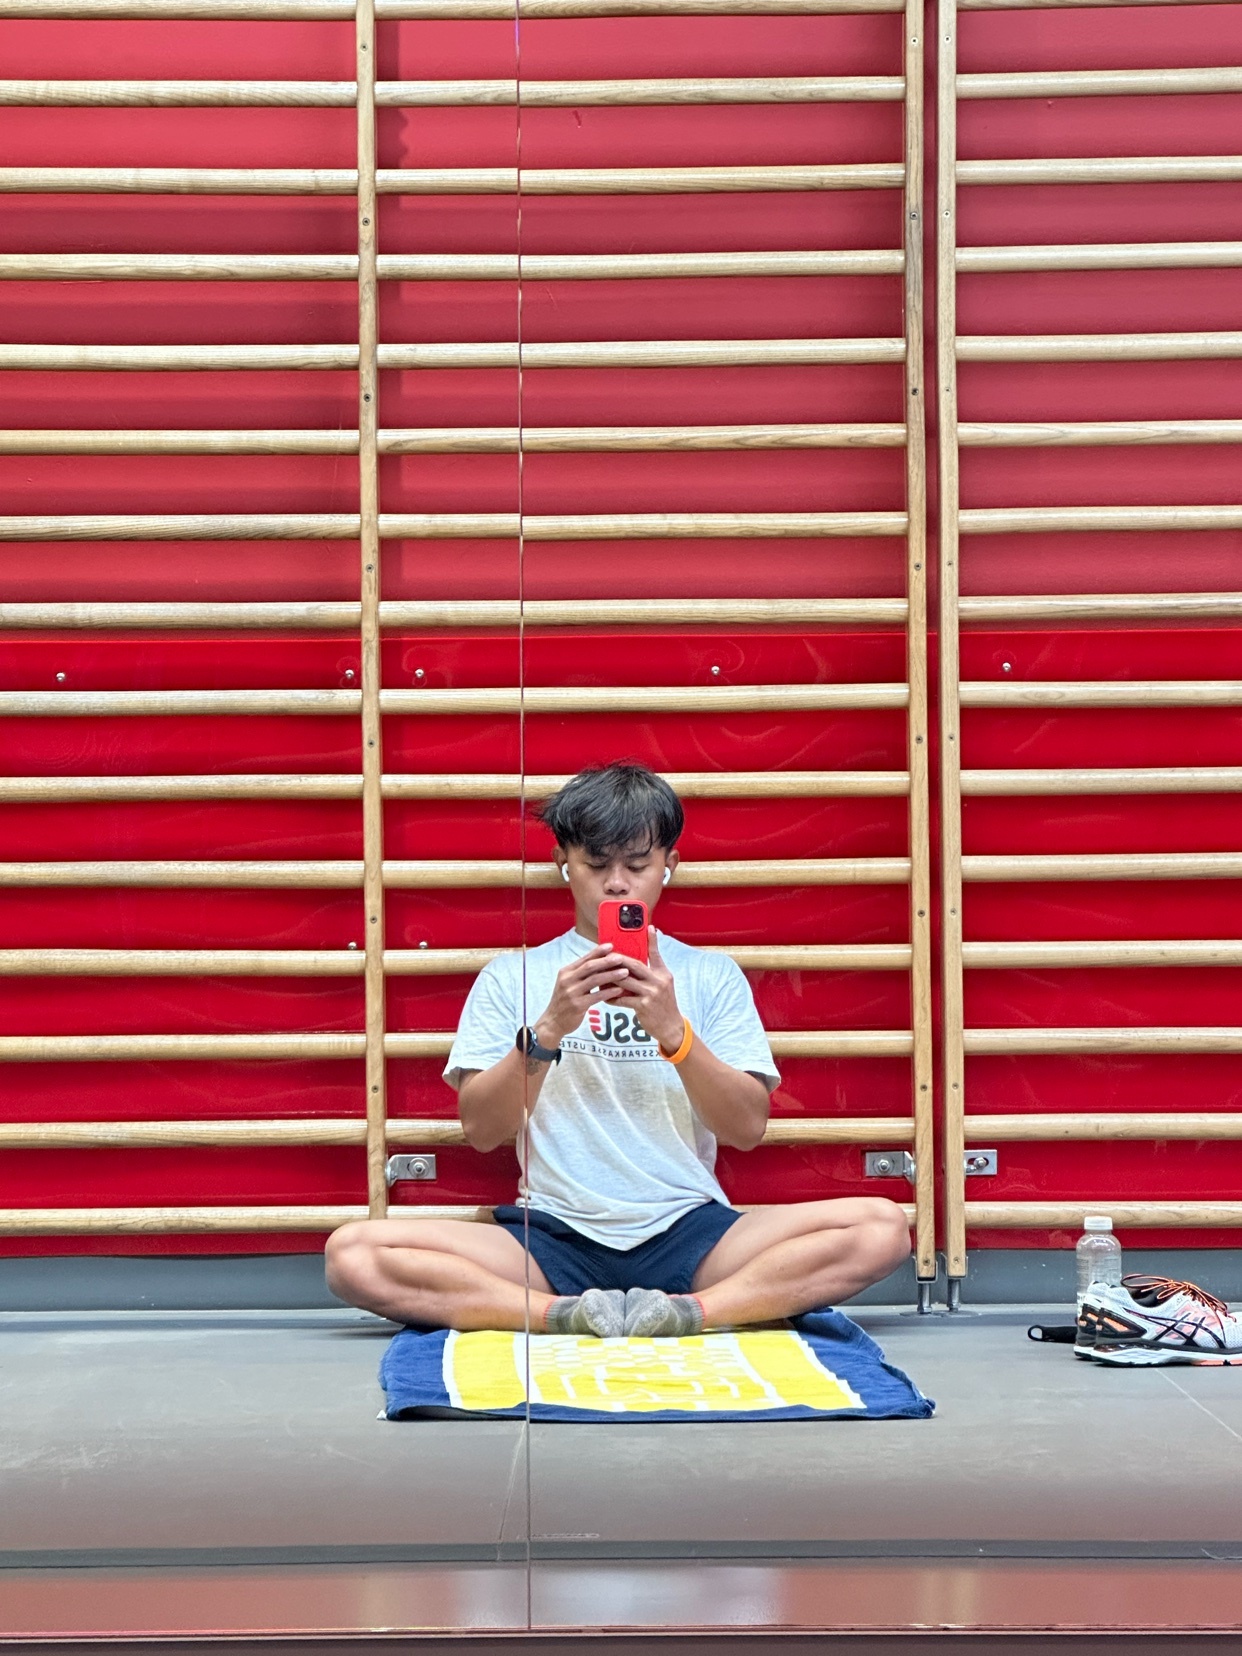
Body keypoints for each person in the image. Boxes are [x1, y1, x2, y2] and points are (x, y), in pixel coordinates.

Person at [326, 763, 910, 1336]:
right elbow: (481, 1129)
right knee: (352, 1252)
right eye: (596, 864)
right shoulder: (514, 976)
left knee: (882, 1227)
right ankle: (563, 1316)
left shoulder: (710, 975)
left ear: (668, 867)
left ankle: (692, 1314)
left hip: (689, 1227)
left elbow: (746, 1127)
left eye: (637, 864)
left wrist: (674, 1033)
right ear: (564, 865)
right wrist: (548, 1030)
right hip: (551, 1233)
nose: (617, 883)